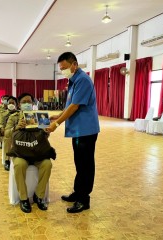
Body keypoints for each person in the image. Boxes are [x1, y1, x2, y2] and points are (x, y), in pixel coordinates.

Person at [46, 52, 100, 213]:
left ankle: (84, 199)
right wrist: (59, 115)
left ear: (74, 64)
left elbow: (75, 106)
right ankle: (78, 193)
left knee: (85, 165)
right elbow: (70, 104)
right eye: (61, 69)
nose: (63, 71)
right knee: (79, 162)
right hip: (78, 130)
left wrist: (57, 123)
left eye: (64, 67)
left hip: (85, 131)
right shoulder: (73, 80)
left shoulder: (83, 80)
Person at [5, 93, 52, 213]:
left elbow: (46, 136)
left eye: (29, 102)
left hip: (37, 152)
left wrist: (46, 129)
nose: (27, 104)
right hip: (21, 153)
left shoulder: (39, 115)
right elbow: (6, 134)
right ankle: (23, 198)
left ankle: (39, 196)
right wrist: (16, 127)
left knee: (47, 164)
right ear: (19, 105)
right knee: (19, 165)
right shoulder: (14, 117)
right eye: (24, 102)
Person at [0, 96, 19, 171]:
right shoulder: (3, 113)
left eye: (13, 103)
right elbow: (0, 122)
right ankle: (7, 160)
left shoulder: (19, 113)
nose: (11, 104)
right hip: (8, 132)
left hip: (18, 132)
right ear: (7, 104)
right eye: (10, 103)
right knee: (7, 138)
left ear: (16, 104)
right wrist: (2, 128)